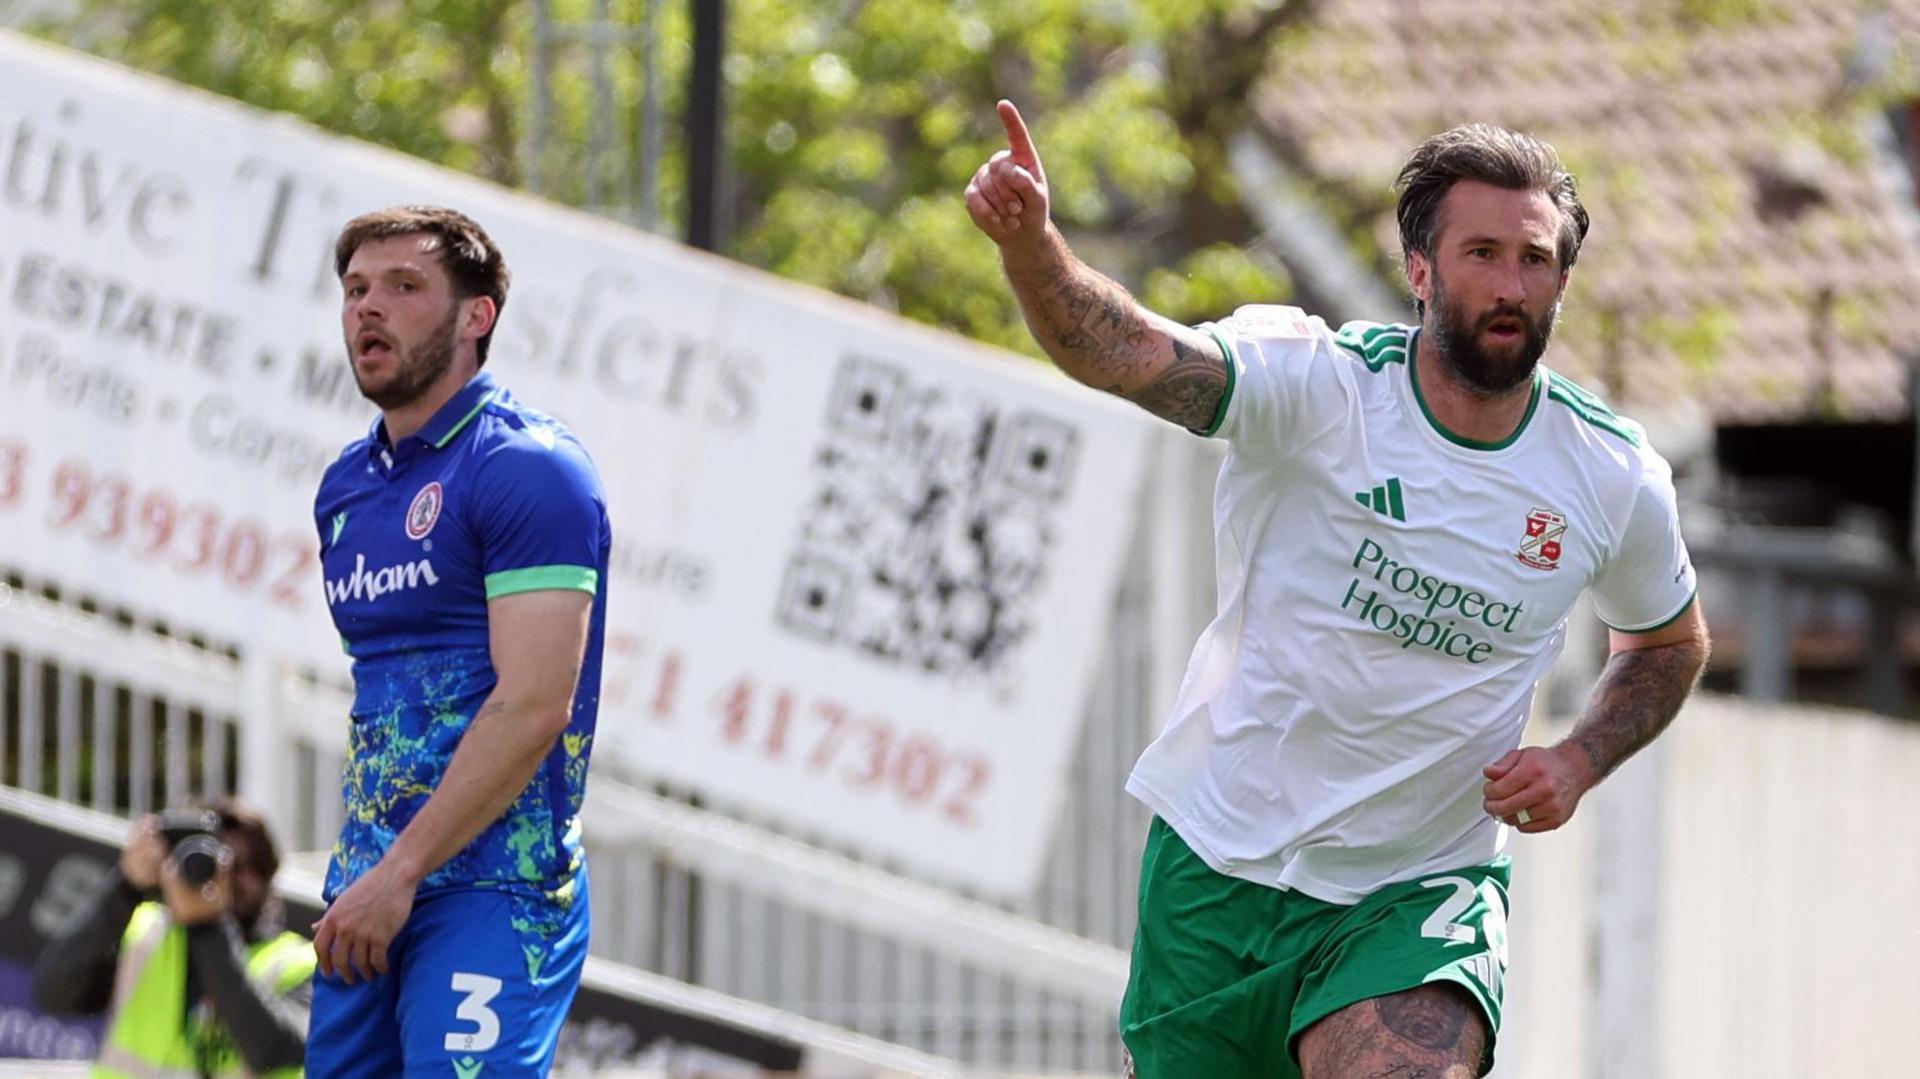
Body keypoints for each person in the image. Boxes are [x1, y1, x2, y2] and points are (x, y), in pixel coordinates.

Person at [966, 103, 1711, 1078]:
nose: (1509, 284)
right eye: (1481, 252)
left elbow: (1667, 640)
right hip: (1218, 865)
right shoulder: (1314, 385)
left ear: (1562, 281)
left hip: (1416, 887)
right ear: (1420, 269)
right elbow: (1135, 353)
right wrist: (1033, 248)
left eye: (1535, 261)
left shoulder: (1610, 476)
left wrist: (1578, 757)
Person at [307, 205, 612, 1078]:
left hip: (493, 885)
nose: (369, 308)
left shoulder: (528, 466)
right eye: (356, 289)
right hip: (367, 887)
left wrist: (402, 870)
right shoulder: (345, 487)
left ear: (476, 315)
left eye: (405, 287)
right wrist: (374, 876)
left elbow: (532, 705)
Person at [33, 800, 314, 1078]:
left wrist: (208, 927)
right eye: (214, 860)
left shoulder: (298, 962)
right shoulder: (144, 934)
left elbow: (273, 1052)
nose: (229, 877)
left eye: (249, 866)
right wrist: (126, 888)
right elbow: (54, 994)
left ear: (270, 875)